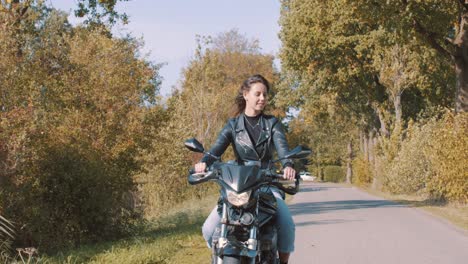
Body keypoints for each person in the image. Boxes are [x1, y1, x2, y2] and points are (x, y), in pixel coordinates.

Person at [194, 74, 296, 264]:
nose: (262, 98)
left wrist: (288, 165)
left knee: (287, 223)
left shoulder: (272, 123)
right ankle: (218, 256)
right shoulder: (233, 125)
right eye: (258, 94)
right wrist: (204, 162)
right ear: (246, 94)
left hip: (266, 185)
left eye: (265, 95)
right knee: (208, 229)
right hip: (239, 187)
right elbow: (215, 151)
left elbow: (283, 150)